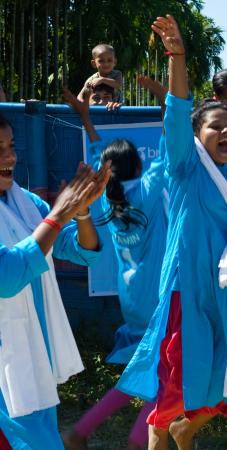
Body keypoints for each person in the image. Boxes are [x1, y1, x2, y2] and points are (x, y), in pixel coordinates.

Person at [117, 15, 227, 450]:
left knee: (223, 380)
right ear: (194, 135)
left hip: (225, 294)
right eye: (216, 127)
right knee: (173, 384)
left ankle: (184, 434)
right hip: (184, 293)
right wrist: (178, 55)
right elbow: (177, 107)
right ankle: (161, 435)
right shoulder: (185, 166)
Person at [62, 89, 168, 450]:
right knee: (162, 377)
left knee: (141, 373)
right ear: (138, 166)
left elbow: (97, 157)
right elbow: (171, 146)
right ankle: (139, 441)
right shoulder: (149, 190)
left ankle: (80, 432)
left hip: (131, 301)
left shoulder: (107, 196)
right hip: (157, 301)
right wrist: (170, 104)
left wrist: (87, 119)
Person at [0, 114, 110, 450]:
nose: (9, 156)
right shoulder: (38, 211)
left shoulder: (25, 203)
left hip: (33, 351)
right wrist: (58, 214)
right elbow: (6, 278)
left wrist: (80, 211)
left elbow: (82, 251)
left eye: (11, 146)